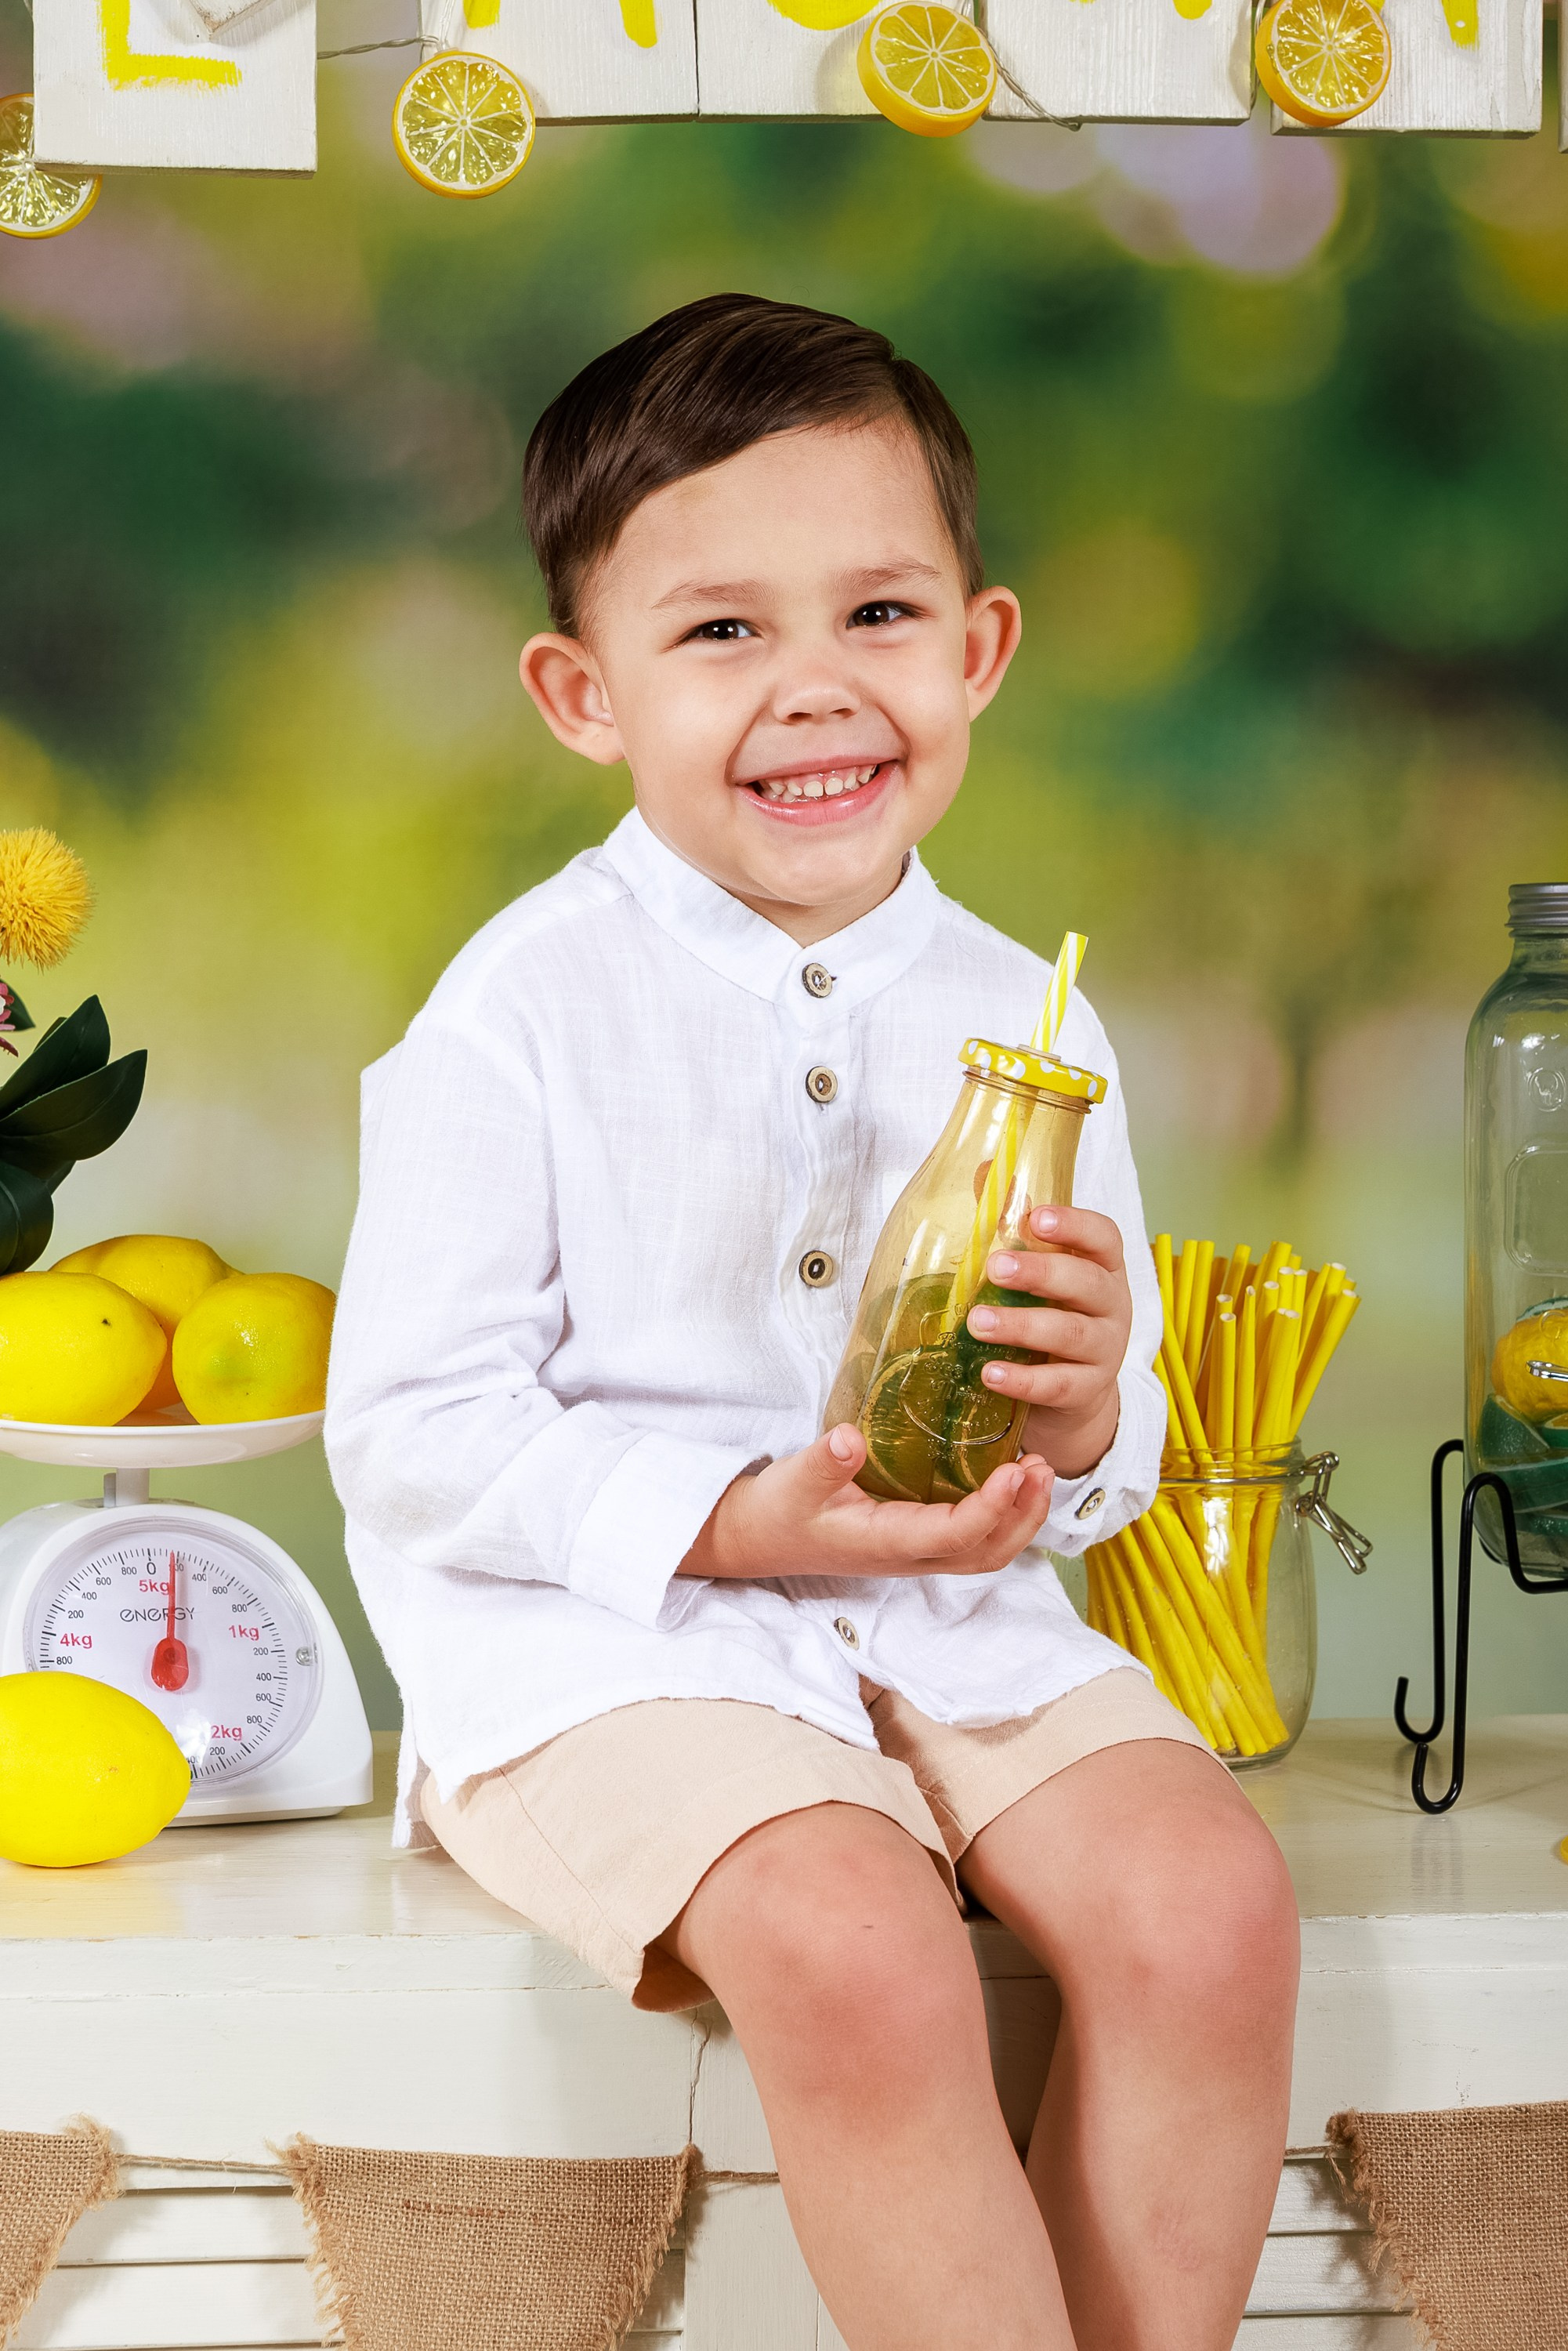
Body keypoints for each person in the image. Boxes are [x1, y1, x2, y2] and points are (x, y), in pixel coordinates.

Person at [325, 292, 1299, 2351]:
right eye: (717, 634)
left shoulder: (1032, 1025)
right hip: (611, 1647)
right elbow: (413, 1424)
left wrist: (1082, 1409)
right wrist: (734, 1521)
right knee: (857, 1939)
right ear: (581, 695)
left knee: (1205, 1906)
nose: (814, 691)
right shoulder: (517, 1012)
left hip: (950, 1618)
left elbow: (1086, 1468)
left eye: (875, 615)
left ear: (978, 650)